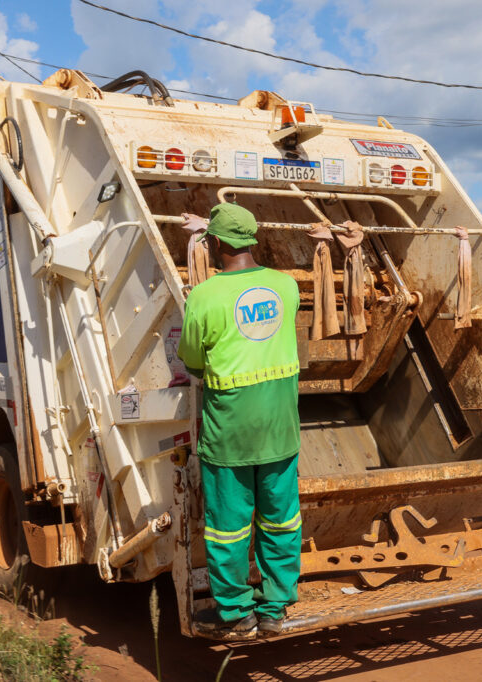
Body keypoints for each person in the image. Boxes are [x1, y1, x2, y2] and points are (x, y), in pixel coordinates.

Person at [177, 203, 302, 638]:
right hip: (281, 430)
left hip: (229, 433)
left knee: (229, 529)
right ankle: (275, 610)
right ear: (250, 240)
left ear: (215, 242)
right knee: (281, 521)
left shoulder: (204, 295)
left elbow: (192, 358)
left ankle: (237, 615)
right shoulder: (286, 287)